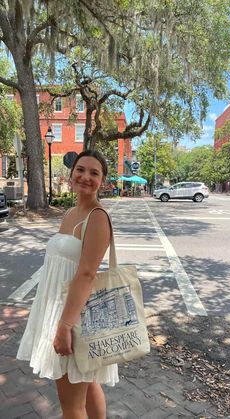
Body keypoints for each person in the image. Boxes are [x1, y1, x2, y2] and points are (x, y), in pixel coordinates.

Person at [17, 150, 119, 419]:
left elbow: (86, 275)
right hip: (60, 309)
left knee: (72, 407)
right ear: (71, 174)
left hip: (73, 318)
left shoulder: (97, 217)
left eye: (94, 173)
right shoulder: (71, 213)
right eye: (80, 170)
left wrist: (64, 327)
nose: (85, 177)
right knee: (87, 382)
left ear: (103, 181)